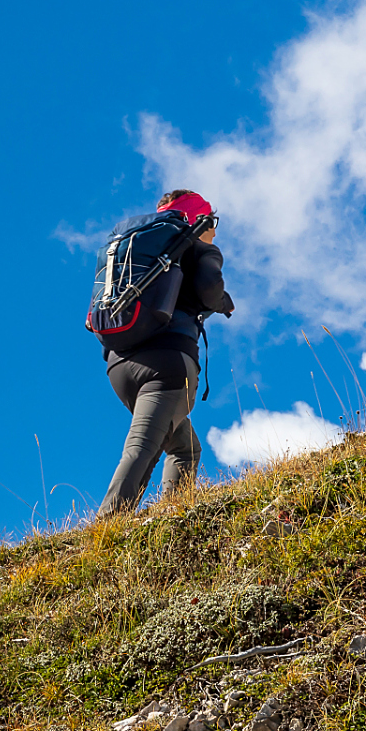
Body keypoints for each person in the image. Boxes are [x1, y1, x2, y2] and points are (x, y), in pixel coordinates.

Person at [96, 189, 233, 517]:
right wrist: (222, 301)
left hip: (120, 366)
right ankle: (105, 527)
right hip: (169, 366)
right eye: (212, 221)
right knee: (143, 446)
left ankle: (174, 514)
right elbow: (209, 284)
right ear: (198, 219)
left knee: (185, 448)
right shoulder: (200, 248)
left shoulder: (142, 252)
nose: (215, 230)